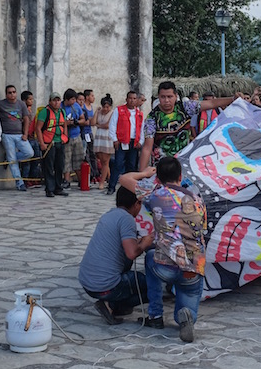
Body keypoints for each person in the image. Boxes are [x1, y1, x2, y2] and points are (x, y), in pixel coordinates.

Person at [120, 157, 207, 343]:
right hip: (193, 268)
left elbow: (123, 179)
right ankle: (186, 316)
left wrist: (144, 173)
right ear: (180, 176)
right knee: (189, 299)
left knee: (150, 256)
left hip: (164, 265)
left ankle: (155, 315)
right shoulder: (198, 201)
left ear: (158, 179)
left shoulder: (155, 194)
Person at [78, 186, 153, 325]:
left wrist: (138, 242)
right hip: (105, 285)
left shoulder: (108, 215)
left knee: (132, 273)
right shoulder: (127, 219)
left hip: (87, 282)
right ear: (136, 204)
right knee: (151, 286)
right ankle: (112, 305)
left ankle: (116, 305)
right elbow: (131, 253)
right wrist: (145, 243)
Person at [140, 81, 235, 171]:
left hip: (185, 164)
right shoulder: (152, 118)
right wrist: (141, 175)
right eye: (163, 97)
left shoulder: (185, 107)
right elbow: (147, 148)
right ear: (158, 97)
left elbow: (211, 103)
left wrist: (233, 99)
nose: (166, 100)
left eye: (169, 96)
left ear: (176, 96)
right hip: (163, 168)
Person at [0, 85, 35, 192]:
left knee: (29, 153)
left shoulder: (21, 104)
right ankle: (19, 183)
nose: (12, 94)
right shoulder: (0, 104)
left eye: (14, 92)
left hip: (19, 134)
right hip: (7, 135)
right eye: (9, 92)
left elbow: (26, 119)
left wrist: (25, 133)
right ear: (6, 94)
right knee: (12, 160)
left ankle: (9, 159)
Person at [35, 92, 69, 198]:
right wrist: (42, 143)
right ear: (50, 101)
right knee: (48, 167)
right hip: (49, 143)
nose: (56, 102)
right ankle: (49, 189)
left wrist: (65, 137)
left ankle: (58, 188)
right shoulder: (45, 112)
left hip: (60, 142)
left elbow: (64, 125)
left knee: (60, 166)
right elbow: (38, 128)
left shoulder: (62, 112)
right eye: (54, 100)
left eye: (58, 100)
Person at [109, 91, 143, 195]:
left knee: (131, 165)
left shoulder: (139, 113)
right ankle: (111, 187)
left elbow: (142, 128)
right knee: (118, 164)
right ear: (126, 99)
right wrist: (114, 139)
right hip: (121, 141)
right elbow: (112, 124)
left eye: (134, 98)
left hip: (134, 142)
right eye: (130, 98)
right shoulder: (119, 110)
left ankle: (129, 188)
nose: (132, 100)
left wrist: (141, 141)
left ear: (137, 100)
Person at [94, 95, 115, 191]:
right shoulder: (99, 112)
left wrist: (98, 125)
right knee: (102, 160)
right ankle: (109, 178)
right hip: (99, 138)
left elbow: (108, 125)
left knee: (106, 161)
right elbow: (93, 122)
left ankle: (102, 182)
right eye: (104, 107)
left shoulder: (112, 113)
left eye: (108, 107)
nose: (106, 109)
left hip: (107, 138)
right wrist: (96, 112)